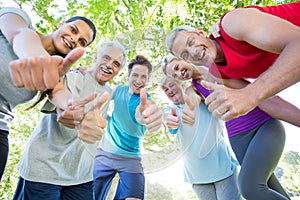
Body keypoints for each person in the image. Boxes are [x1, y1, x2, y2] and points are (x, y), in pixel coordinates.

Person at [162, 55, 300, 200]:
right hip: (237, 139)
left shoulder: (214, 64)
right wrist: (188, 108)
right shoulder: (194, 88)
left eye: (177, 67)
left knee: (249, 187)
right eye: (174, 75)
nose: (179, 73)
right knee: (268, 186)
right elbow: (192, 99)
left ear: (183, 58)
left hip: (262, 124)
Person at [14, 41, 126, 200]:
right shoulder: (73, 77)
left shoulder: (108, 92)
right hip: (45, 169)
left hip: (81, 175)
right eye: (106, 58)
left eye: (116, 64)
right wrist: (72, 110)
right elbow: (59, 99)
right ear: (95, 58)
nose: (109, 65)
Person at [0, 7, 96, 181]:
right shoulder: (19, 18)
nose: (74, 39)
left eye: (82, 42)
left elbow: (59, 93)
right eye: (73, 30)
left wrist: (73, 107)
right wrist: (35, 56)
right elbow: (19, 34)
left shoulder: (56, 72)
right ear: (61, 24)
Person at [166, 1, 300, 121]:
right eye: (185, 55)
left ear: (201, 33)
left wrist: (250, 94)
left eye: (191, 42)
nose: (193, 52)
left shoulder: (232, 23)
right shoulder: (218, 73)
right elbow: (266, 100)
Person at [93, 55, 162, 200]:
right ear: (128, 76)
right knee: (88, 194)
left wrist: (143, 116)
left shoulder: (147, 100)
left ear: (148, 80)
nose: (139, 80)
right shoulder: (118, 90)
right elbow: (99, 96)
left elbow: (141, 115)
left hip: (131, 159)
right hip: (105, 153)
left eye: (143, 77)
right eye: (135, 75)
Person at [161, 76, 241, 200]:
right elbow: (167, 118)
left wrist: (192, 91)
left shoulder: (203, 101)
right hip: (197, 176)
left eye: (171, 85)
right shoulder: (171, 110)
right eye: (165, 89)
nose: (169, 90)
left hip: (223, 168)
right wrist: (170, 120)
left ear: (181, 84)